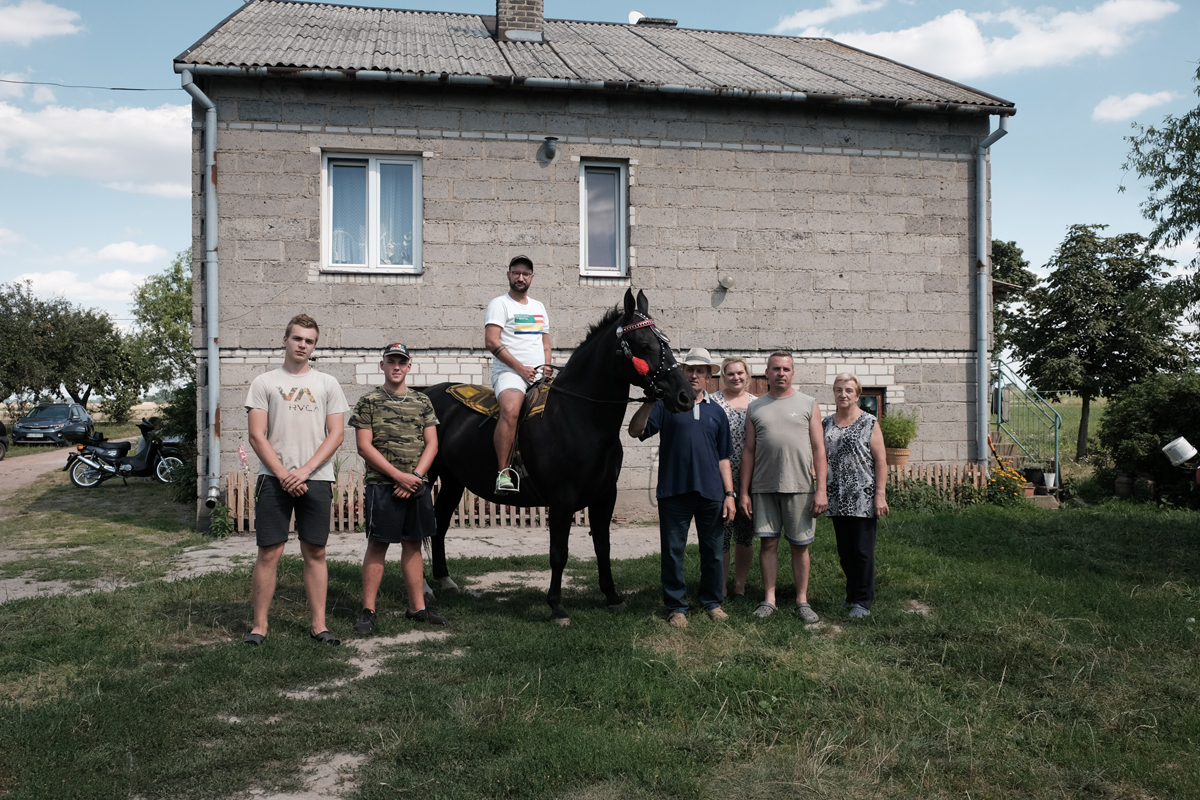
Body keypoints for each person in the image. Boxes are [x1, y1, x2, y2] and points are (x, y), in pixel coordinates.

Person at [243, 314, 350, 646]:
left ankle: (319, 624)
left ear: (314, 346)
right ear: (285, 340)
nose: (303, 345)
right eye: (298, 338)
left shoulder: (327, 383)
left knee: (315, 551)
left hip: (316, 479)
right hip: (274, 480)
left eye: (310, 341)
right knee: (269, 551)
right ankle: (259, 626)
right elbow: (257, 436)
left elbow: (336, 435)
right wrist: (284, 474)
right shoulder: (264, 382)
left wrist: (303, 472)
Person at [629, 347, 736, 628]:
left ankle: (712, 602)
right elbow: (635, 430)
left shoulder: (718, 412)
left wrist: (730, 495)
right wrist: (651, 401)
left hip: (711, 493)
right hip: (674, 491)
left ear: (709, 376)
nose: (694, 375)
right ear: (682, 372)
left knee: (713, 552)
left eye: (701, 370)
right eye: (690, 369)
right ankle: (677, 607)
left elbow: (724, 458)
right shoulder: (667, 405)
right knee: (673, 552)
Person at [349, 343, 446, 632]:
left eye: (401, 362)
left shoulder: (422, 401)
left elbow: (433, 443)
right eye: (391, 361)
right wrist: (397, 477)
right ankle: (368, 610)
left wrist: (414, 476)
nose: (396, 366)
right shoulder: (368, 402)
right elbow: (364, 446)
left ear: (409, 367)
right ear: (382, 365)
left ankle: (417, 608)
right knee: (378, 544)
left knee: (413, 544)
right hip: (382, 485)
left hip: (416, 484)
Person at [739, 351, 828, 623]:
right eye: (775, 368)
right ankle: (770, 599)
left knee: (800, 546)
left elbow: (818, 448)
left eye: (786, 369)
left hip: (800, 485)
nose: (780, 373)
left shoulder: (808, 403)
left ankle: (802, 600)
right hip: (763, 487)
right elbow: (749, 451)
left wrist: (821, 488)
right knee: (768, 543)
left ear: (793, 373)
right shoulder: (755, 407)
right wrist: (743, 492)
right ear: (766, 373)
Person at [824, 372, 889, 618]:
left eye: (849, 390)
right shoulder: (826, 423)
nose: (843, 394)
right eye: (839, 389)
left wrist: (880, 495)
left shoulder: (869, 422)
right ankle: (851, 596)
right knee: (845, 550)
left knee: (862, 551)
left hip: (863, 494)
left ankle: (863, 601)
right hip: (837, 495)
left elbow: (881, 461)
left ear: (858, 395)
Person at [484, 255, 551, 494]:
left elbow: (545, 342)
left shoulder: (539, 307)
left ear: (531, 277)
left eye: (525, 274)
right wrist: (520, 368)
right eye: (516, 273)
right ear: (508, 275)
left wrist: (547, 366)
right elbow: (491, 341)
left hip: (539, 375)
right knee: (511, 410)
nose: (520, 277)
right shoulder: (500, 304)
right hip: (510, 374)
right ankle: (504, 473)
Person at [710, 356, 757, 601]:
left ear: (747, 375)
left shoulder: (757, 404)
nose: (735, 377)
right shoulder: (712, 402)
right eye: (730, 374)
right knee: (722, 537)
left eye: (740, 373)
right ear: (723, 376)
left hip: (751, 479)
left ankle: (740, 587)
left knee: (745, 534)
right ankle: (721, 587)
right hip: (719, 479)